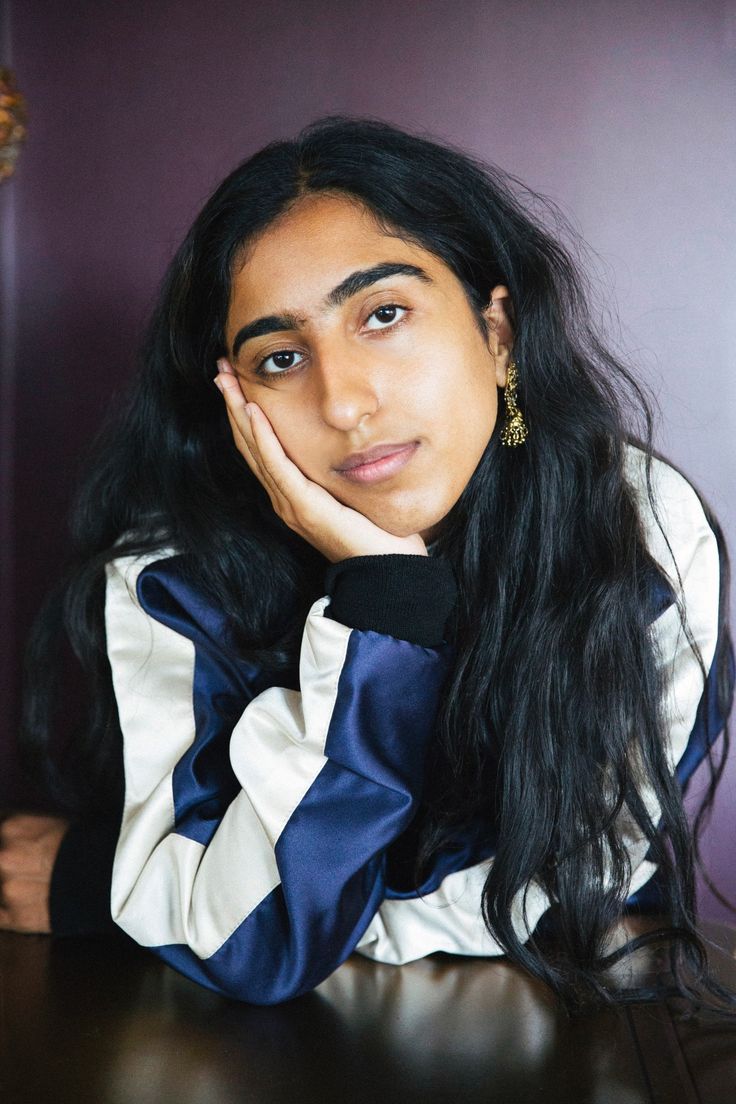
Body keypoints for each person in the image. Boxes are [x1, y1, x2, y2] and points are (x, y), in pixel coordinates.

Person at [2, 115, 734, 1013]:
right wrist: (383, 603)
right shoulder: (172, 575)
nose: (344, 401)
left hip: (572, 1027)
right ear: (236, 401)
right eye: (280, 357)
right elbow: (254, 948)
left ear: (496, 332)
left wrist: (132, 899)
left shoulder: (641, 532)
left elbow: (571, 902)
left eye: (383, 315)